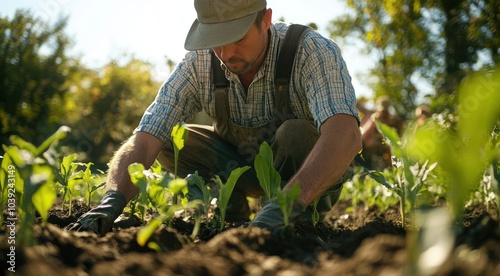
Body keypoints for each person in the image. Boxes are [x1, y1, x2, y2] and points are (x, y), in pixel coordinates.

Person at [66, 0, 361, 235]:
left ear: (266, 19)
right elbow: (145, 139)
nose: (225, 52)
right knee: (170, 141)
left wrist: (286, 203)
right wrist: (112, 200)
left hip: (302, 179)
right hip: (237, 166)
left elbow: (345, 134)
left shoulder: (310, 51)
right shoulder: (200, 62)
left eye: (237, 38)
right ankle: (229, 216)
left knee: (295, 133)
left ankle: (296, 222)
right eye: (216, 39)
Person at [359, 96, 403, 170]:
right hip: (366, 151)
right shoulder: (375, 118)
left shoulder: (393, 121)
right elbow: (365, 139)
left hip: (378, 152)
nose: (384, 114)